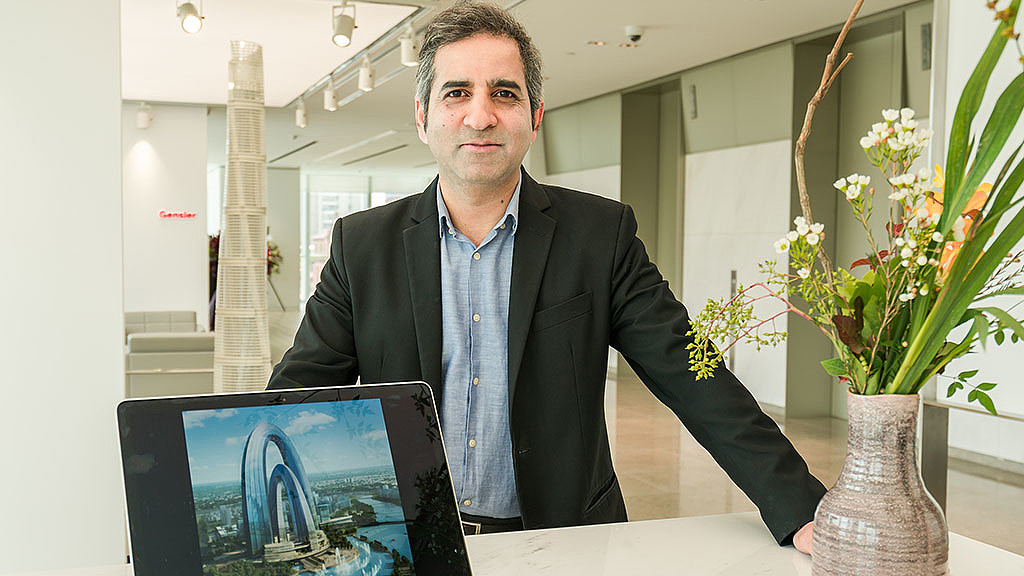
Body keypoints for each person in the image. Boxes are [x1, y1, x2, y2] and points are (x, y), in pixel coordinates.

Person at [268, 0, 821, 552]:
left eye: (504, 93)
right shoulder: (362, 245)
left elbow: (689, 370)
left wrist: (801, 507)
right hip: (411, 542)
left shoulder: (600, 235)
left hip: (566, 539)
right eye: (456, 92)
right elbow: (299, 393)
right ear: (423, 116)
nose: (480, 116)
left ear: (534, 118)